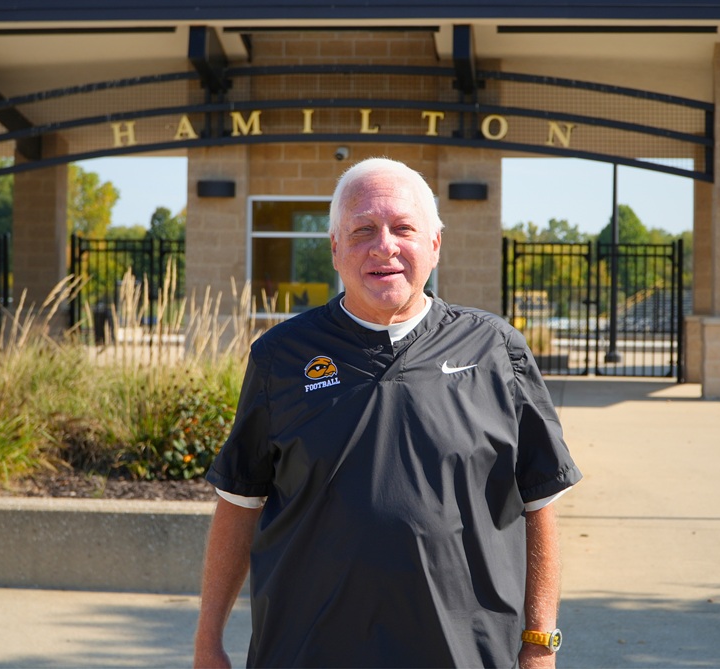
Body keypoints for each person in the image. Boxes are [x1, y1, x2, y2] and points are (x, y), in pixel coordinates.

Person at [193, 157, 582, 669]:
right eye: (362, 231)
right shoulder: (280, 357)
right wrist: (208, 643)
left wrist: (539, 643)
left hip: (466, 654)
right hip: (306, 652)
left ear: (435, 244)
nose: (384, 246)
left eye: (403, 228)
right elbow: (239, 502)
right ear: (335, 248)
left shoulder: (497, 350)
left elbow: (540, 500)